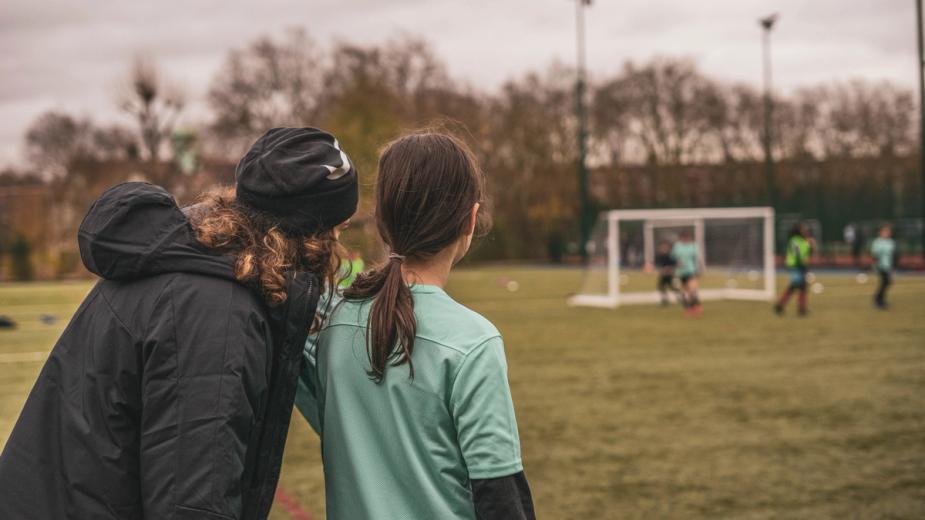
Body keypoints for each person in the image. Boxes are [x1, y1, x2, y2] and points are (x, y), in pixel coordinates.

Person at [0, 127, 358, 520]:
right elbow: (193, 501)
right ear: (309, 235)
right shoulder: (217, 311)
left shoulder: (199, 267)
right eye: (336, 227)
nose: (339, 240)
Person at [295, 132, 535, 520]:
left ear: (381, 223)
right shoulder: (472, 342)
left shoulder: (329, 325)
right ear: (470, 219)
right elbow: (500, 496)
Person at [774, 222, 814, 316]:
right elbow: (797, 253)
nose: (805, 230)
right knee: (797, 285)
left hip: (801, 266)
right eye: (803, 229)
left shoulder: (803, 240)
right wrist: (802, 259)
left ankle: (783, 306)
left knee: (799, 286)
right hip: (795, 266)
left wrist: (811, 245)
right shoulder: (794, 240)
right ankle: (798, 308)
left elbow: (809, 252)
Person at [671, 230, 702, 315]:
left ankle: (695, 307)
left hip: (691, 270)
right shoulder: (677, 246)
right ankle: (690, 307)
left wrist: (699, 269)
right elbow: (672, 257)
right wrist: (676, 263)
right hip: (681, 272)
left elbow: (697, 259)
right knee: (686, 291)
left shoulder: (694, 246)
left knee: (692, 289)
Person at [870, 223, 896, 309]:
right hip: (880, 266)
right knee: (886, 281)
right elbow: (875, 255)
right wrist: (875, 265)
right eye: (885, 231)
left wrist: (892, 267)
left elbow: (892, 255)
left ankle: (879, 299)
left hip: (888, 265)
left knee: (886, 283)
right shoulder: (877, 242)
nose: (887, 233)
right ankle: (879, 300)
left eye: (888, 231)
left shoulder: (891, 242)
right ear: (881, 232)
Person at [654, 240, 680, 306]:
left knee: (672, 288)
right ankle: (665, 300)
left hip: (669, 274)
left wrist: (669, 269)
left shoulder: (669, 256)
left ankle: (680, 298)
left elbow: (675, 264)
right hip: (663, 275)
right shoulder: (660, 256)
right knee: (661, 287)